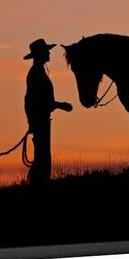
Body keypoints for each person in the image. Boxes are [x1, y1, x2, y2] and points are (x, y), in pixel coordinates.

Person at [23, 39, 73, 185]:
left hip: (41, 119)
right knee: (43, 156)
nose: (49, 52)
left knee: (42, 155)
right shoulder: (36, 73)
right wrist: (61, 105)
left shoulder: (37, 72)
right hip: (40, 120)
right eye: (46, 51)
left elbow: (33, 100)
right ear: (40, 54)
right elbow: (37, 101)